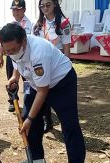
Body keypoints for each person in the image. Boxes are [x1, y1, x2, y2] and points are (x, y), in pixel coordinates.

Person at [0, 23, 87, 163]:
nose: (9, 53)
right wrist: (14, 77)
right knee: (30, 129)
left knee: (70, 128)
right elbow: (18, 62)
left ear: (24, 41)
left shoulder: (39, 52)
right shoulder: (12, 47)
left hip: (62, 83)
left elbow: (43, 91)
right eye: (6, 50)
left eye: (12, 50)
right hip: (36, 84)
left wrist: (31, 119)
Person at [33, 0, 72, 132]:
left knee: (58, 93)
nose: (45, 8)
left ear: (55, 4)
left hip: (58, 62)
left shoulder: (63, 23)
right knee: (43, 90)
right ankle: (47, 119)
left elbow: (66, 46)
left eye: (48, 5)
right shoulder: (38, 25)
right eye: (42, 6)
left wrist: (67, 65)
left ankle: (65, 122)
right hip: (43, 62)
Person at [0, 0, 32, 112]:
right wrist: (0, 56)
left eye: (18, 9)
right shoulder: (10, 24)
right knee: (11, 78)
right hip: (11, 56)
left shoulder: (29, 24)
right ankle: (13, 100)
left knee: (26, 79)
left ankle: (28, 97)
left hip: (24, 57)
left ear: (24, 10)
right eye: (14, 9)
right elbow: (2, 42)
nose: (16, 12)